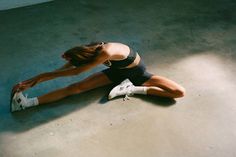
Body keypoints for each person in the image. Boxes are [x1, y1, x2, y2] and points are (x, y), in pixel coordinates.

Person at [11, 42, 185, 112]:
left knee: (178, 92)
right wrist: (37, 80)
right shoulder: (88, 51)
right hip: (116, 73)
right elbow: (70, 67)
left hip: (138, 75)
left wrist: (40, 77)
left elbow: (76, 71)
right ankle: (25, 104)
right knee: (74, 88)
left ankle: (131, 89)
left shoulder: (104, 51)